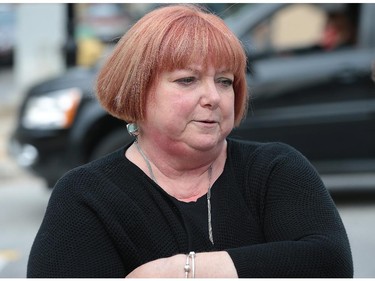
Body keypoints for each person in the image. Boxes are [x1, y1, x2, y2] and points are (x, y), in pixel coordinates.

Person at [27, 4, 353, 278]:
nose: (213, 97)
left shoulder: (274, 169)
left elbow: (330, 262)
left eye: (224, 81)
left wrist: (181, 270)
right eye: (187, 80)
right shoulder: (86, 195)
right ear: (137, 90)